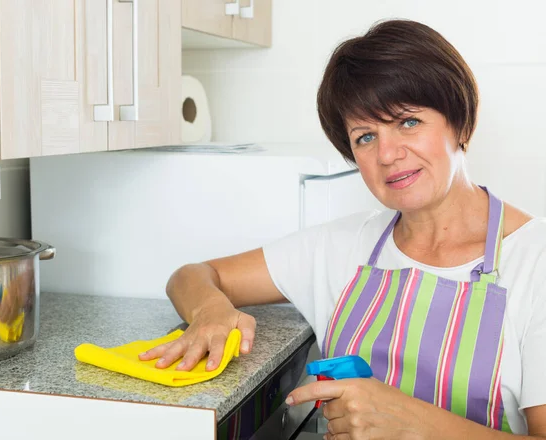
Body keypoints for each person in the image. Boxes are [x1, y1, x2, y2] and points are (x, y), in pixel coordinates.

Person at [139, 19, 546, 438]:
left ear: (461, 123)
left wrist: (411, 423)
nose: (388, 154)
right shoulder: (341, 247)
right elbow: (192, 276)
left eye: (408, 122)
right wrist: (211, 312)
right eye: (365, 136)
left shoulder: (536, 259)